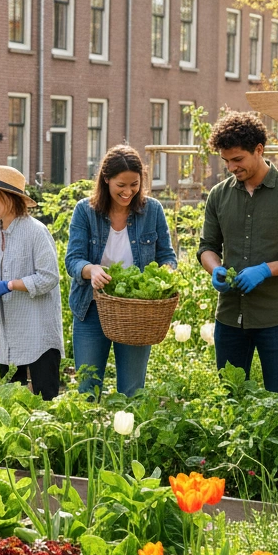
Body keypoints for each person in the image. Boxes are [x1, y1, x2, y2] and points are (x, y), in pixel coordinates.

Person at [198, 110, 278, 392]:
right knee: (230, 399)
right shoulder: (219, 195)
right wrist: (214, 268)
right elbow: (207, 247)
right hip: (230, 315)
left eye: (238, 159)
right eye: (226, 161)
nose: (231, 167)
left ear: (259, 149)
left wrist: (267, 270)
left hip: (275, 316)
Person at [65, 145, 177, 396]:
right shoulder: (85, 211)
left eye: (134, 184)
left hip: (136, 311)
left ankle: (129, 436)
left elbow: (167, 256)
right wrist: (91, 270)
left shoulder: (153, 210)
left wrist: (166, 274)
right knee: (88, 388)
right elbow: (73, 260)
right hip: (92, 307)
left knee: (132, 390)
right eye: (121, 185)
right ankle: (92, 433)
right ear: (106, 180)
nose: (128, 192)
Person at [0, 166, 63, 399]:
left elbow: (49, 278)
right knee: (10, 402)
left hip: (38, 330)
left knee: (45, 400)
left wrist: (8, 286)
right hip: (8, 333)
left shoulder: (36, 232)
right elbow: (1, 277)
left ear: (11, 198)